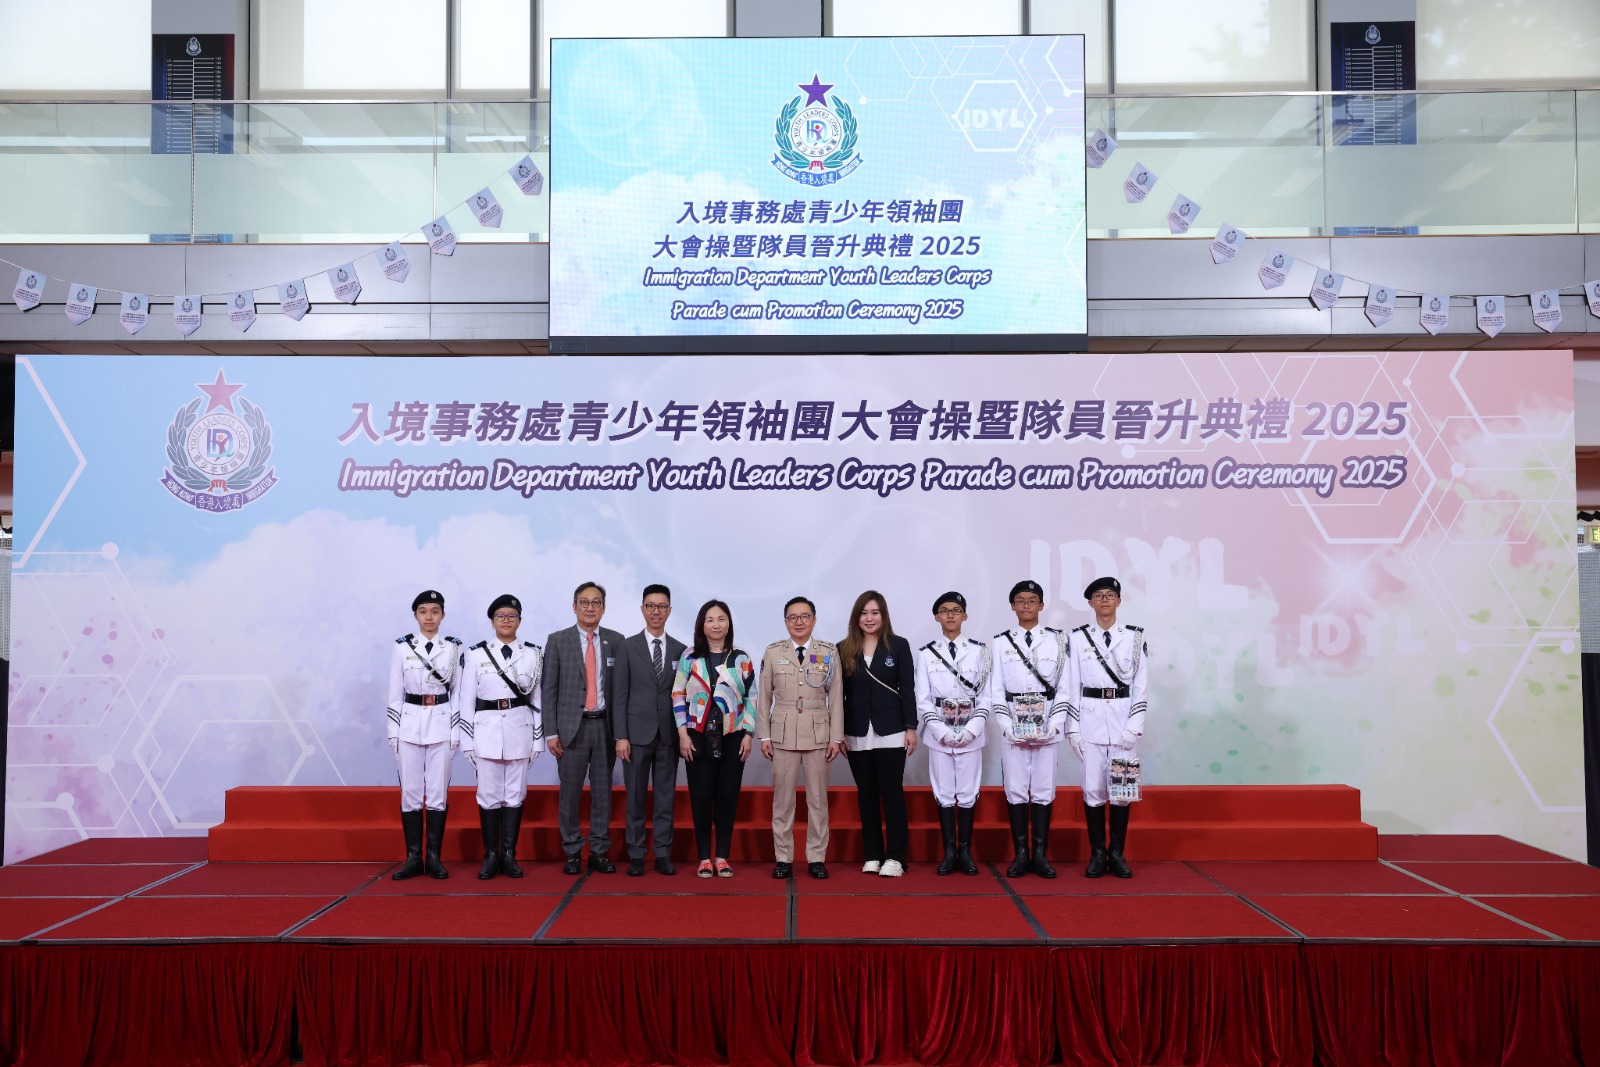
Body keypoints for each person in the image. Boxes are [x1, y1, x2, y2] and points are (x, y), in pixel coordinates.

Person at [985, 580, 1070, 879]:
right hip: (1014, 727)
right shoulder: (1000, 642)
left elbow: (1064, 689)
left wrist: (1056, 724)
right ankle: (1021, 854)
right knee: (1017, 789)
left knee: (1044, 789)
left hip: (1047, 724)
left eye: (1032, 600)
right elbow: (995, 690)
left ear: (1041, 606)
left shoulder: (1059, 641)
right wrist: (1006, 726)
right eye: (1020, 601)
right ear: (1012, 606)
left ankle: (1041, 855)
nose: (1026, 606)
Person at [1065, 576, 1148, 879]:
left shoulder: (1135, 637)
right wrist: (1072, 729)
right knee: (1092, 791)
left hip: (1123, 721)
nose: (1104, 600)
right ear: (1090, 602)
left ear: (1119, 601)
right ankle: (1098, 853)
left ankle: (1118, 853)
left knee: (1122, 790)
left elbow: (1141, 687)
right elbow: (1071, 685)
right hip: (1090, 722)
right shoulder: (1076, 638)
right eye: (1098, 596)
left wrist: (1134, 727)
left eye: (1110, 595)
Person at [456, 594, 543, 880]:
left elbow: (537, 699)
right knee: (489, 795)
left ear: (519, 620)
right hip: (486, 731)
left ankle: (509, 856)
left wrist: (538, 740)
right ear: (492, 621)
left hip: (520, 730)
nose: (506, 621)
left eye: (512, 616)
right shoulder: (476, 653)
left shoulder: (532, 653)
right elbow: (465, 700)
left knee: (515, 795)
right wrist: (467, 741)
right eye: (501, 616)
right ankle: (491, 855)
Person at [541, 581, 625, 875]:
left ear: (603, 607)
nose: (590, 607)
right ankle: (573, 851)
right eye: (584, 602)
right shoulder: (557, 640)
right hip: (570, 730)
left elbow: (620, 691)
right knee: (571, 793)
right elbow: (548, 689)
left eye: (596, 602)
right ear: (574, 606)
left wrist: (621, 733)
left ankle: (599, 851)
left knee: (603, 793)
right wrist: (550, 732)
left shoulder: (616, 640)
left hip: (604, 727)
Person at [756, 596, 843, 880]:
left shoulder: (828, 651)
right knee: (783, 801)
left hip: (819, 735)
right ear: (785, 622)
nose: (799, 622)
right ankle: (783, 858)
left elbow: (836, 696)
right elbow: (764, 696)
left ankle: (816, 857)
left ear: (814, 620)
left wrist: (836, 737)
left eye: (804, 616)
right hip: (782, 735)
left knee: (818, 801)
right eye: (792, 617)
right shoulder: (773, 652)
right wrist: (764, 736)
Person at [672, 600, 757, 878]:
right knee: (701, 795)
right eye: (710, 620)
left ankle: (722, 857)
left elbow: (752, 697)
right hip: (696, 736)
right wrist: (683, 733)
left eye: (721, 619)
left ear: (728, 623)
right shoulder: (690, 656)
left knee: (727, 795)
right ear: (702, 624)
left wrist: (748, 734)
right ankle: (703, 858)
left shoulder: (740, 658)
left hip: (733, 736)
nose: (716, 625)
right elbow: (677, 695)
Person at [839, 590, 918, 877]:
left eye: (874, 612)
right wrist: (839, 733)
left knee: (892, 794)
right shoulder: (843, 648)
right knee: (866, 795)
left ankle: (895, 857)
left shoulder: (898, 646)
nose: (869, 618)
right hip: (857, 733)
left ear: (883, 616)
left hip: (892, 731)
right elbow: (838, 696)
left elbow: (907, 689)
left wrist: (911, 727)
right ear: (856, 617)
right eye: (864, 613)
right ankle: (872, 854)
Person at [385, 589, 461, 880]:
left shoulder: (453, 648)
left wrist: (455, 732)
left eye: (435, 611)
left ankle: (434, 859)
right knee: (412, 795)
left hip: (441, 724)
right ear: (415, 615)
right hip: (409, 724)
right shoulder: (402, 647)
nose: (429, 617)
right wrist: (394, 733)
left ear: (442, 615)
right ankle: (413, 858)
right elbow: (395, 694)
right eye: (423, 612)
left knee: (438, 795)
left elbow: (456, 694)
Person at [914, 591, 991, 876]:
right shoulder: (926, 654)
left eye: (956, 610)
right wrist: (940, 730)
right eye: (944, 610)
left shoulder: (980, 651)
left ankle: (966, 851)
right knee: (944, 792)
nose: (950, 614)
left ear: (965, 616)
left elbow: (986, 695)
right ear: (936, 617)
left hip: (971, 731)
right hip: (939, 734)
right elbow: (922, 698)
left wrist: (972, 729)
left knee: (968, 793)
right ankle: (949, 853)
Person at [612, 583, 687, 876]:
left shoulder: (681, 649)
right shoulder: (627, 647)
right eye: (651, 606)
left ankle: (663, 853)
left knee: (665, 798)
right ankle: (636, 853)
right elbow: (619, 694)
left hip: (668, 734)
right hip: (635, 734)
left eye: (662, 606)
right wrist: (621, 736)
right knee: (635, 797)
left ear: (669, 611)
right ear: (643, 609)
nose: (656, 611)